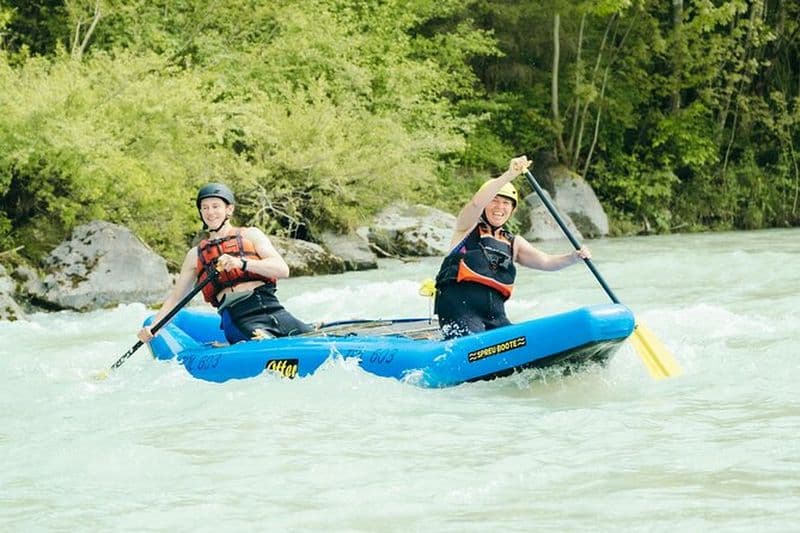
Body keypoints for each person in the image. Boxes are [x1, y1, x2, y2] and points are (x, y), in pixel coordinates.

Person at [434, 156, 591, 339]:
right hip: (459, 311)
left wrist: (574, 257)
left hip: (495, 317)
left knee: (515, 338)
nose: (499, 207)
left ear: (512, 209)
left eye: (506, 203)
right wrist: (510, 175)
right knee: (475, 338)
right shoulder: (466, 227)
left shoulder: (513, 242)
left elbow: (546, 262)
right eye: (494, 200)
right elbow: (476, 203)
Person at [137, 182, 312, 345]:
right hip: (238, 318)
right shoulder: (194, 255)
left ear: (229, 209)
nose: (210, 212)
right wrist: (154, 326)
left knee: (311, 336)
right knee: (266, 344)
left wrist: (241, 263)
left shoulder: (251, 234)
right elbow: (176, 298)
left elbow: (282, 269)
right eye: (205, 208)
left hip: (273, 308)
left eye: (215, 206)